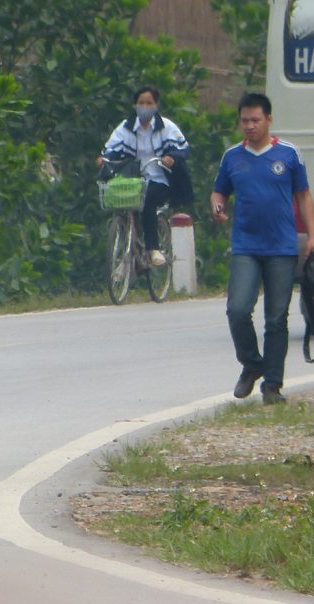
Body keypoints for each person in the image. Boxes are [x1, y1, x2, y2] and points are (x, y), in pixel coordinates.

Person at [211, 92, 314, 405]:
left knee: (276, 318)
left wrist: (311, 234)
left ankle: (272, 385)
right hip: (246, 245)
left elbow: (303, 197)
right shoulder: (232, 157)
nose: (250, 126)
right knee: (238, 308)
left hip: (281, 247)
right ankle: (251, 362)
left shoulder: (289, 154)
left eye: (256, 120)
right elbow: (219, 192)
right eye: (245, 120)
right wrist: (217, 207)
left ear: (269, 120)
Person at [98, 85, 192, 267]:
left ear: (156, 105)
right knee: (119, 201)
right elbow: (111, 148)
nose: (145, 106)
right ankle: (125, 257)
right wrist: (104, 159)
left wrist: (171, 158)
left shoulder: (166, 127)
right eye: (141, 102)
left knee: (147, 201)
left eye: (149, 103)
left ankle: (153, 248)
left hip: (159, 180)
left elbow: (183, 149)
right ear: (134, 105)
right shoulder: (125, 128)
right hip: (132, 180)